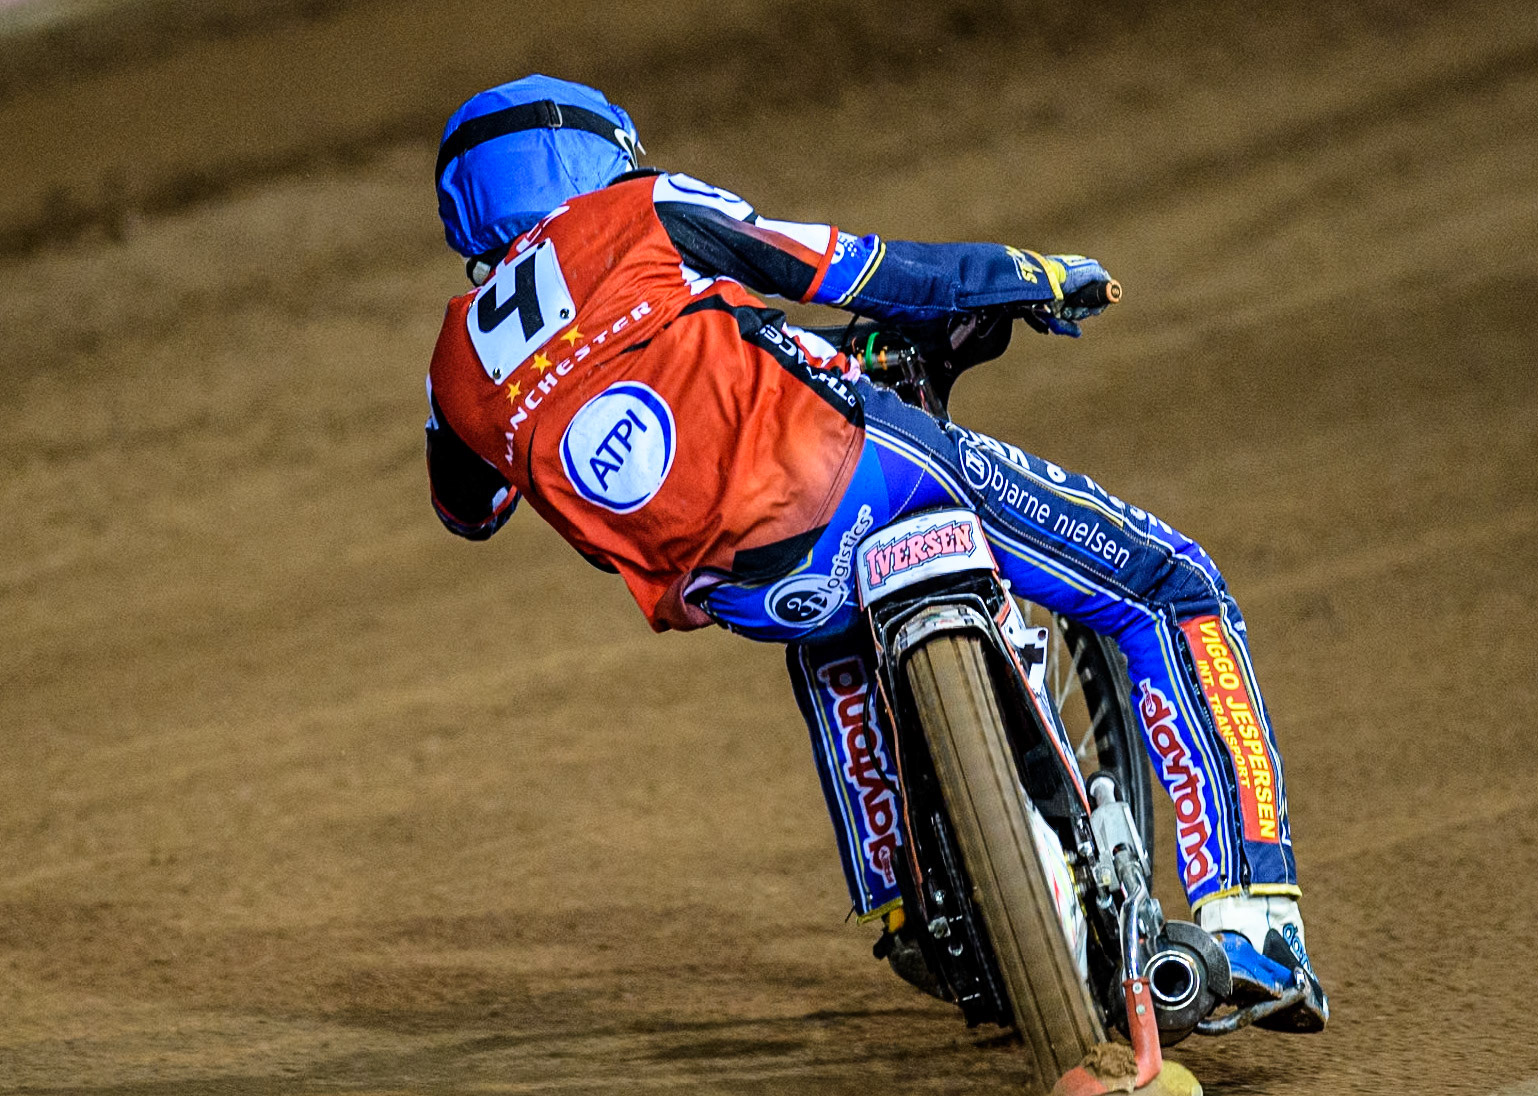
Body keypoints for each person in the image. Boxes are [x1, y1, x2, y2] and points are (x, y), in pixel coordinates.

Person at [424, 75, 1327, 1033]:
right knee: (1167, 588)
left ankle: (906, 903)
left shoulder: (452, 370)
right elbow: (866, 273)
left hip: (742, 590)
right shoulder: (641, 209)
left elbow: (467, 510)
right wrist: (1029, 273)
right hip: (870, 472)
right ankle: (1254, 921)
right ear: (589, 153)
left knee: (823, 627)